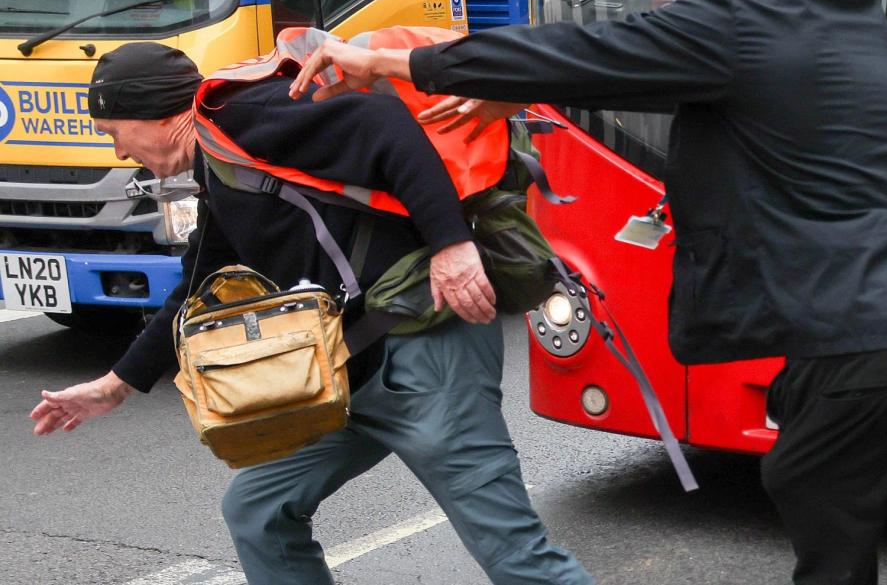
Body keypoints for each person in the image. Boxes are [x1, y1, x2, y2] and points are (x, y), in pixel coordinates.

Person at [291, 0, 887, 585]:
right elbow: (691, 93)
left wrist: (386, 60)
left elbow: (586, 52)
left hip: (865, 335)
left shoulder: (738, 23)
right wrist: (525, 88)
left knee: (813, 498)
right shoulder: (849, 15)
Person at [29, 42, 593, 585]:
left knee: (514, 555)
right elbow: (198, 285)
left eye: (114, 133)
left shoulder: (245, 116)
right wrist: (115, 385)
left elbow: (382, 125)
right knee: (257, 510)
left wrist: (450, 244)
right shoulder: (222, 162)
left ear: (151, 112)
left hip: (426, 351)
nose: (119, 152)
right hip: (350, 370)